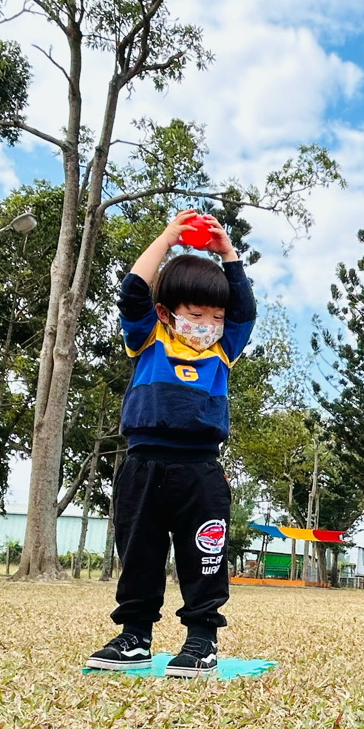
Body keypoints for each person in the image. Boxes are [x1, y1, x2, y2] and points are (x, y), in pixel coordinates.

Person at [85, 209, 255, 678]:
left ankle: (201, 640)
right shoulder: (149, 338)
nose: (208, 324)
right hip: (142, 465)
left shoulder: (224, 348)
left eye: (216, 316)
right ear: (167, 313)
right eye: (196, 315)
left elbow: (244, 310)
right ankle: (135, 637)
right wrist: (167, 238)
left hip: (201, 470)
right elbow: (132, 291)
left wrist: (228, 254)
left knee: (204, 556)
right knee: (138, 554)